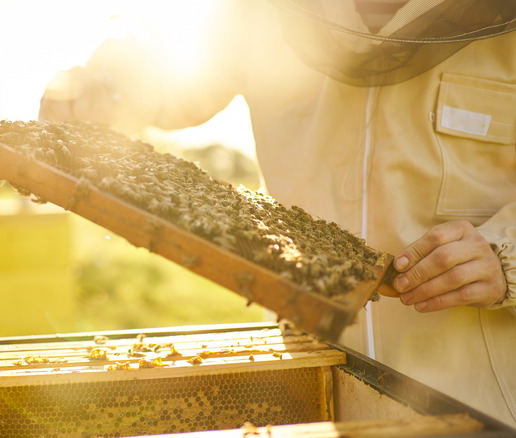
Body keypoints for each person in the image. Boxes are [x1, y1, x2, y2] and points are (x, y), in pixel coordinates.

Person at [38, 0, 516, 427]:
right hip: (304, 386)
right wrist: (106, 87)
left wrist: (505, 256)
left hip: (475, 398)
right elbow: (170, 63)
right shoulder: (259, 14)